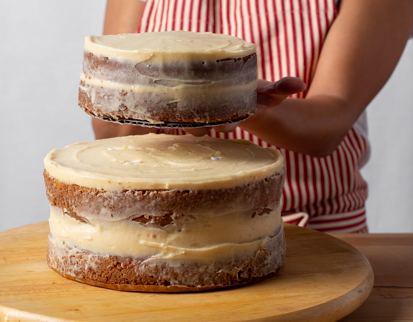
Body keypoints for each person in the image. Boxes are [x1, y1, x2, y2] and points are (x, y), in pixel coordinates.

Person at [92, 0, 413, 233]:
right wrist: (171, 103)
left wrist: (236, 104)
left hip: (312, 230)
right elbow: (108, 128)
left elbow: (329, 122)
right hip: (156, 228)